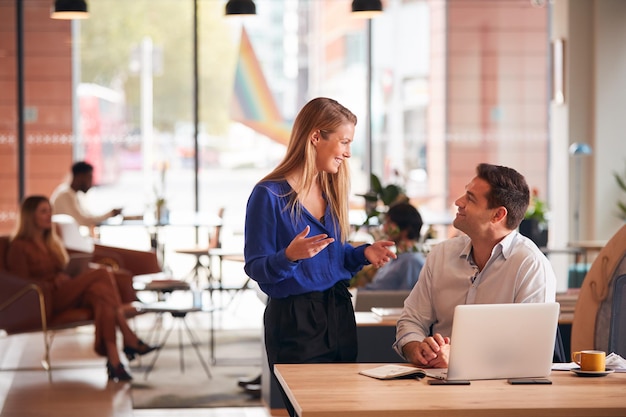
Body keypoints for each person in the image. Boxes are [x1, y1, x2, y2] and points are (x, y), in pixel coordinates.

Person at [243, 97, 397, 416]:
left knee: (341, 410)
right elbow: (256, 267)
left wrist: (362, 253)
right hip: (295, 322)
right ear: (315, 137)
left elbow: (334, 257)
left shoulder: (331, 191)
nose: (348, 152)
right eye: (343, 141)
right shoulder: (268, 195)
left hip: (339, 313)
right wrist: (288, 256)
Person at [393, 163, 556, 368]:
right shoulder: (441, 255)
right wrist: (416, 348)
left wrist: (461, 361)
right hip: (436, 385)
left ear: (497, 215)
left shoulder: (531, 266)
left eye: (470, 198)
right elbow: (411, 321)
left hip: (502, 391)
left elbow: (531, 351)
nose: (458, 202)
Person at [6, 195, 156, 381]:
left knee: (100, 294)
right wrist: (53, 281)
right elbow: (20, 284)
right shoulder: (19, 247)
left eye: (49, 210)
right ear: (30, 216)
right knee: (101, 273)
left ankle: (115, 361)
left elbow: (61, 268)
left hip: (66, 291)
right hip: (45, 298)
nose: (49, 215)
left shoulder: (50, 242)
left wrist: (68, 273)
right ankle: (127, 336)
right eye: (43, 211)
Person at [356, 202, 426, 291]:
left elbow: (405, 299)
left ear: (406, 228)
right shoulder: (395, 258)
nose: (384, 229)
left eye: (389, 223)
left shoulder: (411, 261)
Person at [51, 161, 122, 233]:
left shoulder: (75, 194)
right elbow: (83, 220)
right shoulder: (65, 195)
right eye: (89, 177)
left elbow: (88, 215)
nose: (91, 183)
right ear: (80, 177)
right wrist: (110, 214)